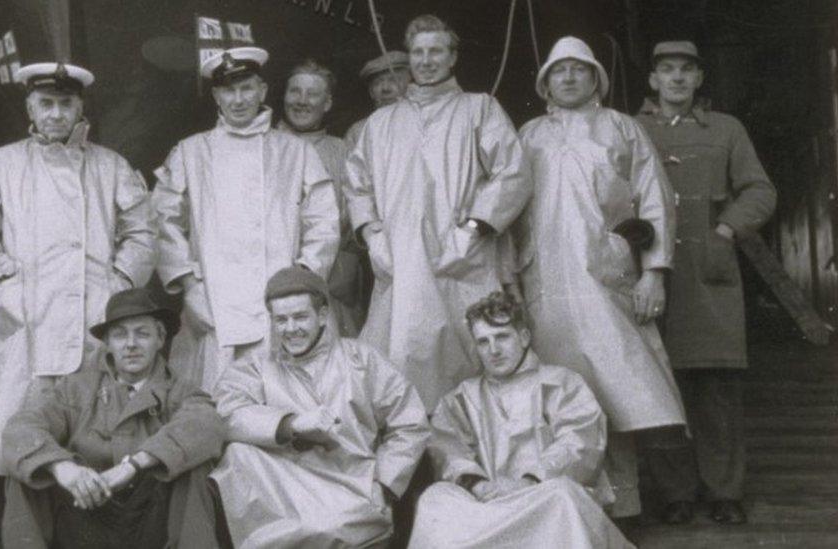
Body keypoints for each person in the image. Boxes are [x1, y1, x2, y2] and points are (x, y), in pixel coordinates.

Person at [0, 61, 156, 546]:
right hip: (25, 330)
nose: (57, 113)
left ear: (81, 106)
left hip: (93, 328)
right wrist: (4, 283)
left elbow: (142, 234)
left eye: (66, 104)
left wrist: (118, 285)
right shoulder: (0, 164)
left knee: (95, 452)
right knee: (9, 455)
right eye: (47, 103)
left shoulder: (111, 166)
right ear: (30, 106)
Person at [512, 36, 686, 518]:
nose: (568, 78)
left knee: (620, 390)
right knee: (561, 395)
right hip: (543, 283)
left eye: (578, 69)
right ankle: (573, 507)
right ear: (545, 83)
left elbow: (654, 200)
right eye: (558, 71)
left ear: (595, 79)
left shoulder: (621, 128)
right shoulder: (528, 135)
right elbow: (509, 207)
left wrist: (654, 274)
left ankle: (625, 505)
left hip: (606, 279)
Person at [345, 14, 533, 411]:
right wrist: (371, 234)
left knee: (471, 370)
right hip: (400, 262)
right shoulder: (381, 122)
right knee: (397, 372)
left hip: (462, 262)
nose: (426, 60)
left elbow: (512, 171)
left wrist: (475, 227)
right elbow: (357, 183)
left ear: (452, 57)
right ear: (407, 59)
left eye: (436, 51)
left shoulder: (479, 108)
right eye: (418, 52)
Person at [636, 41, 777, 525]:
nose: (676, 79)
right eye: (666, 71)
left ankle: (725, 491)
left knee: (716, 386)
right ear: (653, 80)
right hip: (651, 275)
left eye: (686, 71)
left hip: (709, 274)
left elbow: (760, 190)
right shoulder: (631, 130)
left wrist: (725, 228)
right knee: (660, 384)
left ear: (699, 79)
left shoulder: (726, 129)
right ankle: (676, 493)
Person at [152, 47, 340, 391]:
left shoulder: (296, 151)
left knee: (287, 404)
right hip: (214, 306)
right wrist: (191, 287)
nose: (238, 99)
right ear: (216, 96)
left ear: (263, 91)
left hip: (281, 306)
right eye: (229, 90)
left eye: (247, 88)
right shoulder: (190, 152)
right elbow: (163, 224)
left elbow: (324, 222)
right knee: (214, 404)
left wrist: (303, 283)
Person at [210, 267, 429, 547]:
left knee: (325, 526)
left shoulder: (361, 359)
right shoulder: (256, 365)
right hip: (284, 491)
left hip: (353, 488)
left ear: (323, 315)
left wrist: (385, 485)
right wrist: (290, 424)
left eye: (300, 316)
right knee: (237, 453)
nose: (291, 329)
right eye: (281, 320)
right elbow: (227, 410)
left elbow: (410, 422)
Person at [1, 288, 225, 549]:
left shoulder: (182, 391)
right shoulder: (74, 389)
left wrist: (134, 466)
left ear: (160, 339)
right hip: (85, 516)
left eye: (142, 333)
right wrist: (64, 469)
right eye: (120, 335)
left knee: (193, 467)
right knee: (29, 470)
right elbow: (21, 428)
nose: (131, 344)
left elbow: (206, 424)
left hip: (149, 522)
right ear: (107, 343)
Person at [409, 292, 633, 549]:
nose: (493, 350)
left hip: (542, 497)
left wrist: (528, 481)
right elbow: (448, 450)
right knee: (434, 498)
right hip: (488, 504)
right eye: (483, 342)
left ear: (524, 337)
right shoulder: (460, 397)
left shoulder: (561, 383)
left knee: (562, 494)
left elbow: (579, 442)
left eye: (502, 337)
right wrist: (478, 485)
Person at [277, 59, 367, 335]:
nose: (302, 101)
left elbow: (356, 222)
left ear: (327, 103)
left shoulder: (343, 152)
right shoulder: (262, 146)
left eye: (312, 94)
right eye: (295, 92)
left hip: (330, 288)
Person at [344, 50, 411, 146]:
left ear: (411, 85)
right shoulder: (358, 132)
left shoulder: (428, 124)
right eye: (377, 82)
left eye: (393, 80)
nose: (385, 88)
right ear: (371, 92)